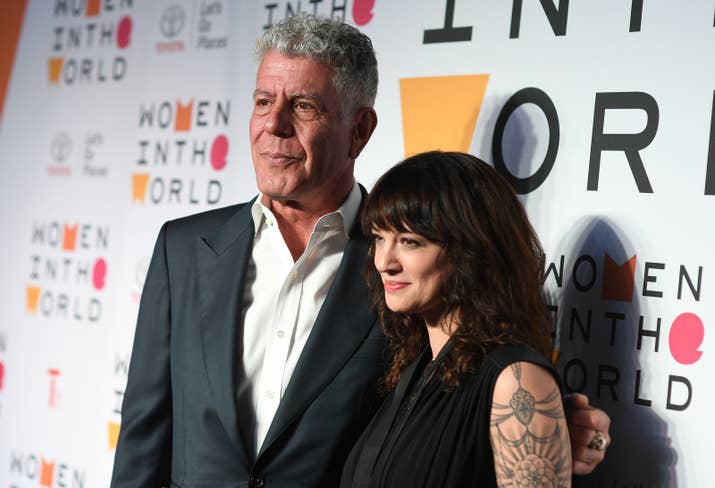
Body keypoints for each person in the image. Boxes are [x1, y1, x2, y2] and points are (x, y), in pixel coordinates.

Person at [110, 14, 609, 488]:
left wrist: (558, 420)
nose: (274, 125)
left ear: (360, 130)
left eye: (303, 106)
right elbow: (144, 433)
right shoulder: (184, 249)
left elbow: (459, 374)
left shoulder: (404, 264)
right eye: (263, 101)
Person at [341, 151, 573, 487]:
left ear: (469, 251)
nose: (384, 261)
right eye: (379, 238)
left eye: (409, 241)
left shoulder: (515, 382)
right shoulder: (415, 367)